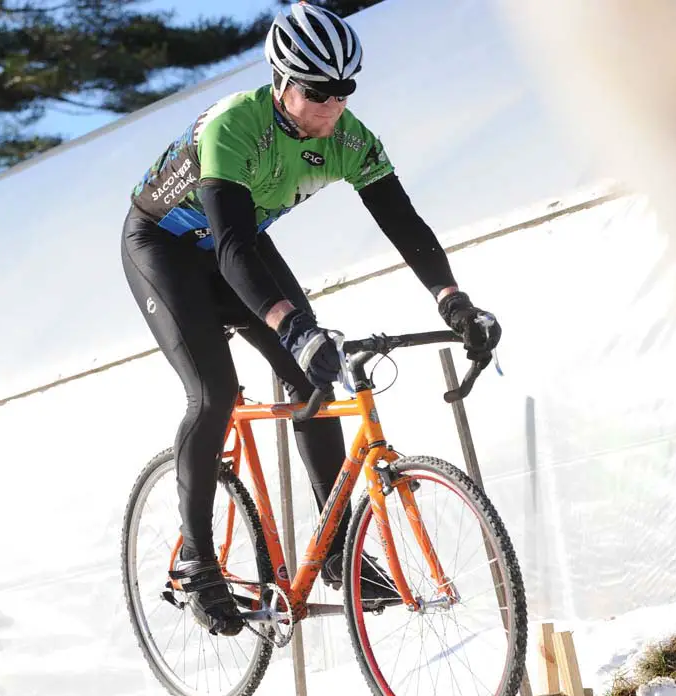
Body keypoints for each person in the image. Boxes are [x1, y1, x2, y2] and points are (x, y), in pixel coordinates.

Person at [120, 2, 500, 636]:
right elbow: (236, 247)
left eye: (344, 90)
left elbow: (404, 223)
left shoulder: (351, 138)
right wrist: (289, 325)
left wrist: (452, 300)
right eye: (319, 91)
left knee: (313, 386)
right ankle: (196, 559)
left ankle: (336, 557)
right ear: (283, 82)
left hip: (232, 244)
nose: (333, 104)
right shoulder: (233, 126)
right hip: (165, 245)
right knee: (213, 393)